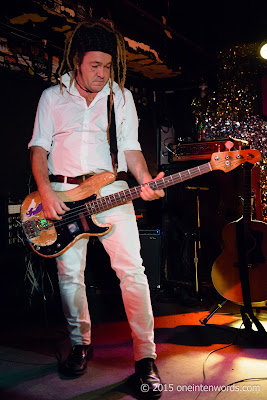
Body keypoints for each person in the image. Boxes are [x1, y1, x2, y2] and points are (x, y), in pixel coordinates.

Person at [28, 18, 164, 397]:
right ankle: (80, 345)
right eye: (94, 66)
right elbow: (39, 148)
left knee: (132, 271)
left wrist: (144, 179)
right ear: (76, 61)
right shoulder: (52, 98)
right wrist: (46, 190)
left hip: (111, 191)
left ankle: (145, 357)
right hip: (62, 196)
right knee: (70, 274)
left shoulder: (121, 97)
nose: (102, 74)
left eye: (107, 66)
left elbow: (132, 149)